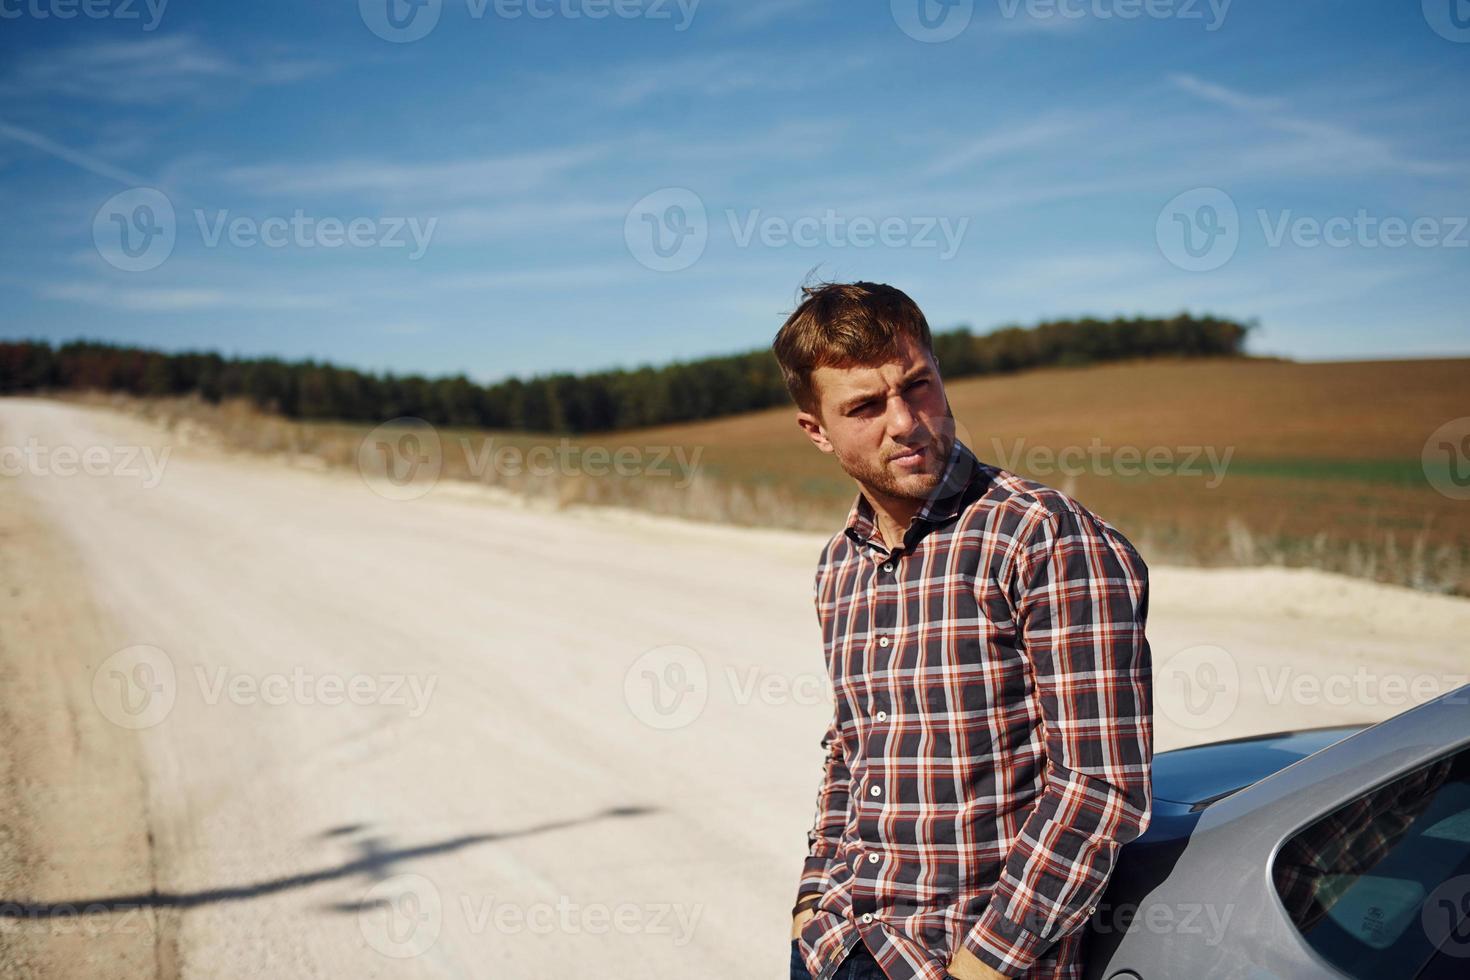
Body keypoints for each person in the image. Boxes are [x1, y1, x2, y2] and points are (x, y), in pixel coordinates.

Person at [773, 281, 1154, 980]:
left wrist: (985, 963)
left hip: (963, 959)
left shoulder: (1042, 538)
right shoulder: (840, 566)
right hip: (836, 949)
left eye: (917, 386)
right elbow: (851, 748)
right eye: (864, 406)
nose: (904, 422)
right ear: (816, 430)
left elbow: (1099, 788)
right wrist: (811, 899)